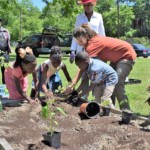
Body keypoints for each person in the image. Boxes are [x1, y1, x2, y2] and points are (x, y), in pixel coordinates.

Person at [64, 24, 137, 110]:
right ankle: (109, 108)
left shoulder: (92, 46)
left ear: (86, 36)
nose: (79, 44)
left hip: (126, 55)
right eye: (77, 41)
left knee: (116, 82)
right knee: (108, 81)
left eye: (80, 41)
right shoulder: (89, 43)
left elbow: (82, 68)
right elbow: (87, 69)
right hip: (115, 58)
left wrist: (72, 85)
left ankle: (126, 111)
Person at [0, 17, 11, 84]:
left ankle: (4, 91)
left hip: (4, 54)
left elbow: (8, 43)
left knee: (5, 72)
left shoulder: (5, 31)